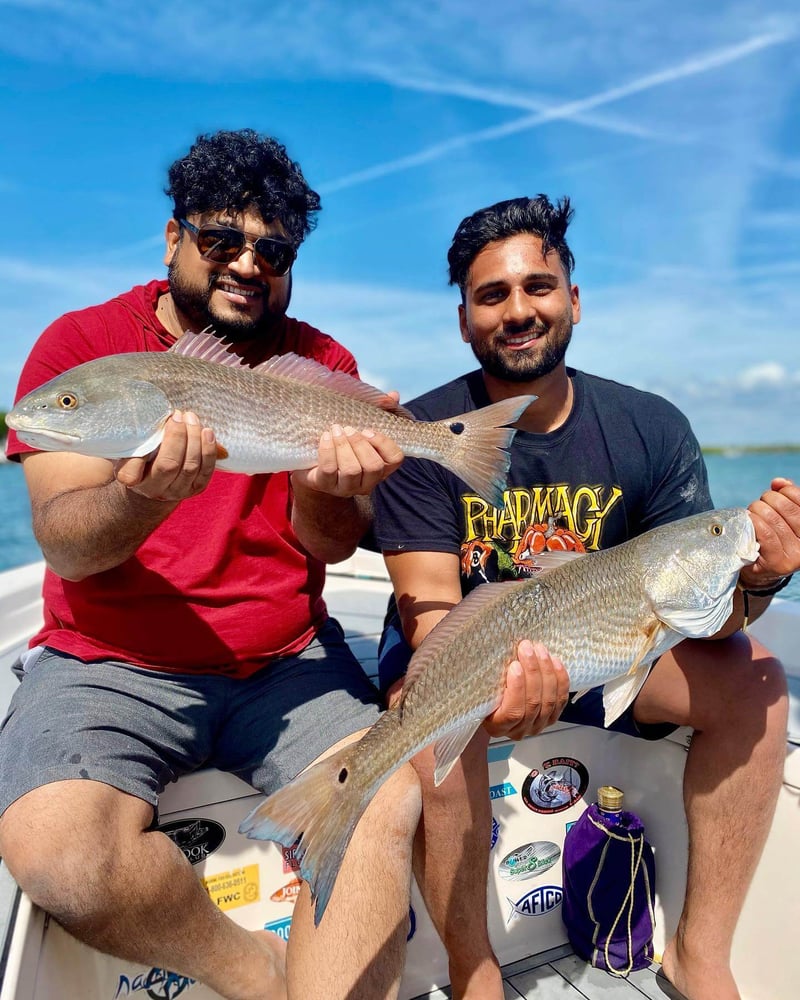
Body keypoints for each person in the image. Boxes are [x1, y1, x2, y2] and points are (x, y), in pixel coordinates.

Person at [0, 129, 423, 1000]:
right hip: (110, 664)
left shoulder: (320, 363)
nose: (246, 264)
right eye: (220, 239)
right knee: (59, 854)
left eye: (272, 249)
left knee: (384, 798)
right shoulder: (81, 347)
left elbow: (333, 546)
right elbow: (67, 542)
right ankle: (255, 973)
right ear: (172, 239)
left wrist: (329, 490)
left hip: (287, 662)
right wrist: (144, 496)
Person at [372, 195, 799, 1000]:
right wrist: (488, 690)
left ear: (574, 299)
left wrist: (763, 575)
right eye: (492, 295)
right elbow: (425, 614)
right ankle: (473, 967)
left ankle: (700, 953)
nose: (518, 310)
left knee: (759, 681)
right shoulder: (431, 430)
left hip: (608, 645)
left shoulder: (651, 426)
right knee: (431, 710)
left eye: (539, 286)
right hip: (468, 655)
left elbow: (705, 615)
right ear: (463, 319)